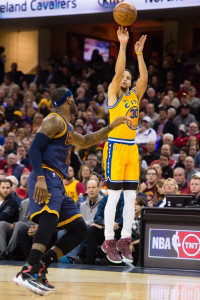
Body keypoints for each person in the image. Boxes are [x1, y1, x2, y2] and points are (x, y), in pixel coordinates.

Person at [13, 87, 130, 295]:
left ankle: (41, 266)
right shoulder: (54, 120)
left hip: (56, 179)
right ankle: (28, 270)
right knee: (49, 219)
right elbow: (33, 150)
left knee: (79, 229)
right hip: (46, 175)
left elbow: (86, 141)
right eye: (74, 99)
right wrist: (40, 177)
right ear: (68, 100)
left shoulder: (65, 126)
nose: (76, 102)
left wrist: (112, 126)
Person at [102, 27, 148, 264]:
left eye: (129, 78)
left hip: (131, 148)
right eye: (124, 77)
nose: (126, 79)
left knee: (131, 198)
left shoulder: (134, 96)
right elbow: (119, 71)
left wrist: (139, 54)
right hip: (115, 148)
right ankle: (109, 239)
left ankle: (125, 239)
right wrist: (122, 45)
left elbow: (145, 79)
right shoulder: (113, 93)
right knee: (114, 196)